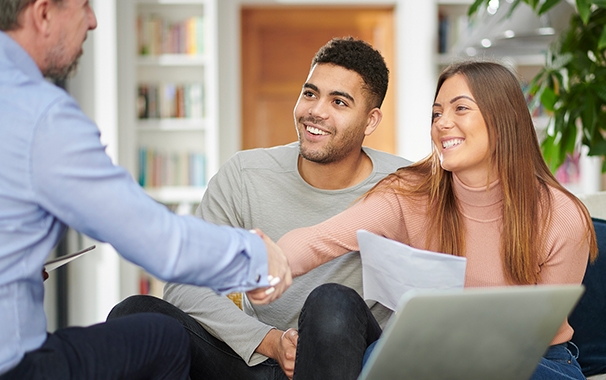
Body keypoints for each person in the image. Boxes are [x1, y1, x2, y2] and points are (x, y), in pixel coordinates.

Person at [0, 0, 290, 378]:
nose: (93, 19)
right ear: (44, 14)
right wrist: (257, 258)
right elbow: (158, 241)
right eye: (85, 3)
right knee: (162, 338)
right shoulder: (40, 116)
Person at [264, 61, 599, 380]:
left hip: (532, 360)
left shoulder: (561, 215)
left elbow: (539, 333)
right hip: (426, 353)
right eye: (436, 113)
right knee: (332, 301)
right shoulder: (410, 193)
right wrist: (260, 261)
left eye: (460, 108)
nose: (442, 123)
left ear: (503, 119)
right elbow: (318, 240)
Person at [107, 37, 410, 379]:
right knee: (135, 316)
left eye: (339, 102)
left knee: (333, 305)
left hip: (347, 362)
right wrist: (270, 341)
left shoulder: (405, 185)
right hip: (257, 359)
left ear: (370, 121)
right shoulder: (245, 174)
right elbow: (186, 284)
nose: (316, 111)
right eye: (310, 93)